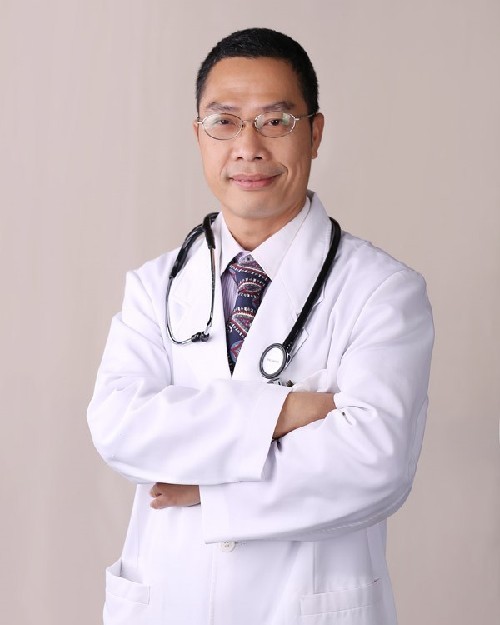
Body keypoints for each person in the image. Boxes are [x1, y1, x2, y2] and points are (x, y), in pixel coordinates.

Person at [88, 27, 434, 625]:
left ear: (315, 133)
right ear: (199, 136)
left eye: (275, 121)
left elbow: (374, 463)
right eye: (224, 122)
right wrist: (285, 412)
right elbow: (118, 427)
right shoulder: (154, 286)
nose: (248, 147)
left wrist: (209, 493)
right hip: (170, 602)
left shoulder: (383, 291)